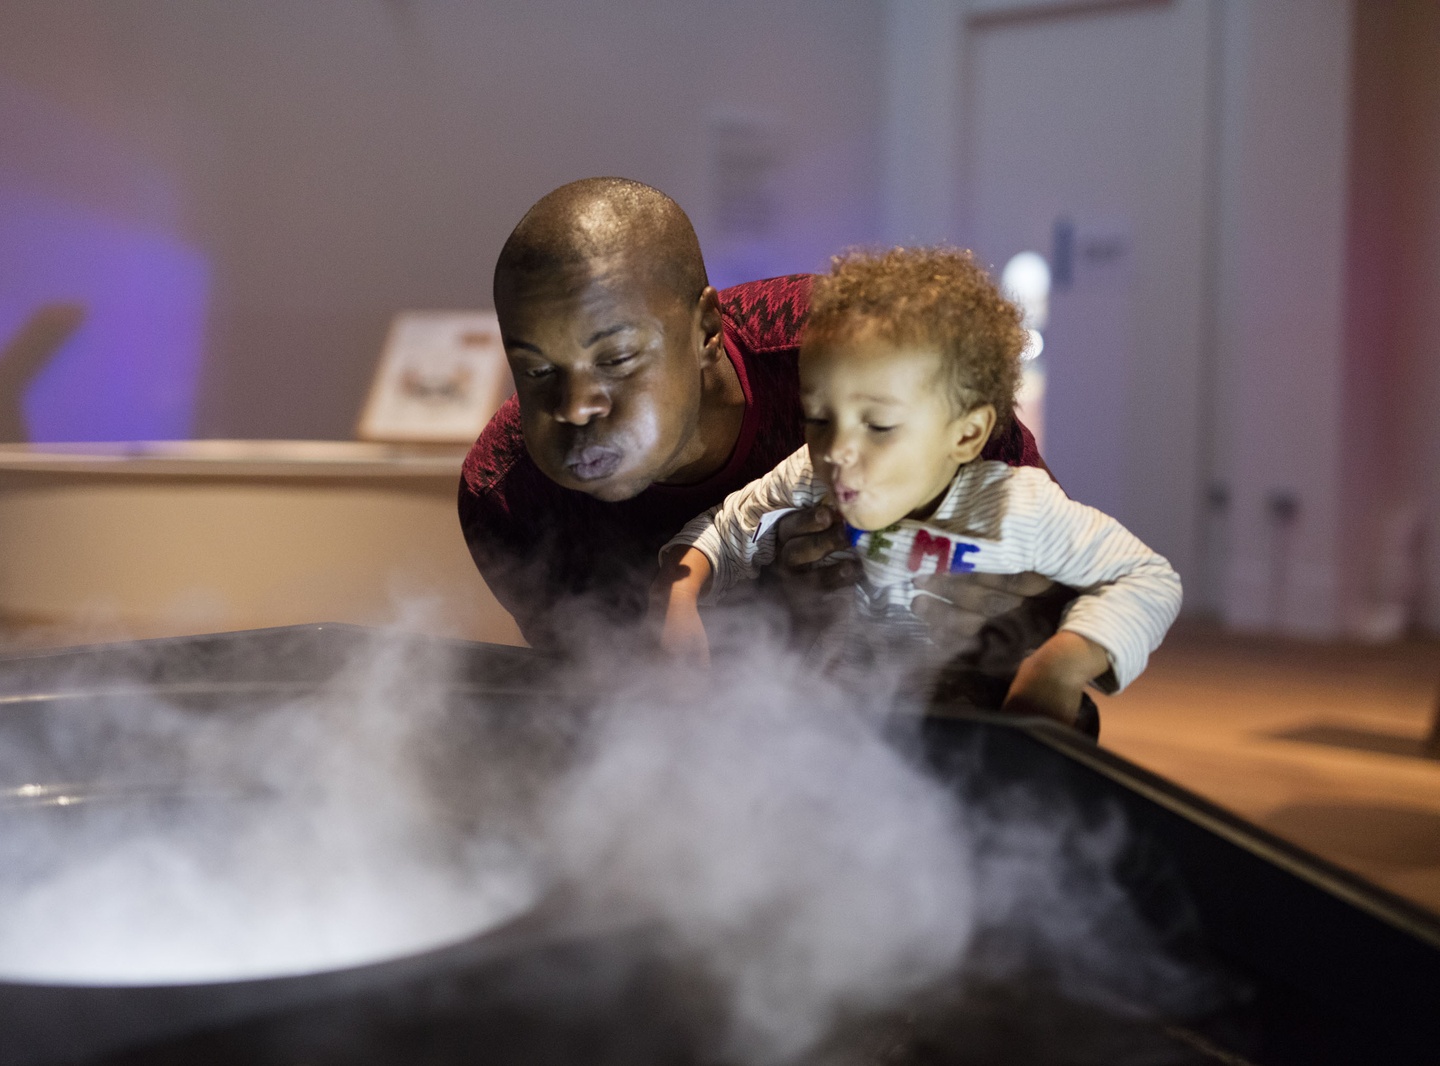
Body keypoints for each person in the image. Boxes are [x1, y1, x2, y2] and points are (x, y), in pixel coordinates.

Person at [459, 176, 1053, 664]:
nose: (574, 406)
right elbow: (612, 721)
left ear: (707, 331)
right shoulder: (510, 496)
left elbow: (1047, 554)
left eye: (615, 359)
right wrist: (779, 610)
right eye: (536, 371)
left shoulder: (857, 359)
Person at [654, 247, 1182, 724]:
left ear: (967, 433)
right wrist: (681, 595)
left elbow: (1148, 578)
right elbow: (729, 527)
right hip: (831, 729)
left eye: (879, 426)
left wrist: (1057, 667)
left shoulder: (1015, 507)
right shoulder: (811, 476)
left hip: (963, 731)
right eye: (818, 418)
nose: (837, 448)